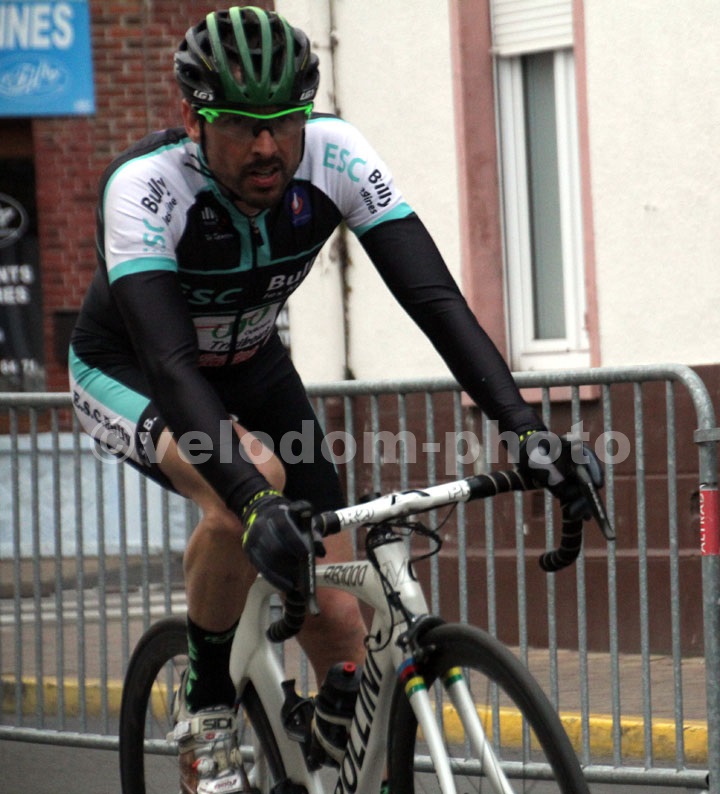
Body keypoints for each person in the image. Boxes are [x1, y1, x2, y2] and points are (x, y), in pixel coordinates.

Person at [69, 7, 601, 793]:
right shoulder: (146, 189)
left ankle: (322, 749)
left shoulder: (337, 155)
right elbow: (173, 363)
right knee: (251, 483)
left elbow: (436, 302)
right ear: (192, 117)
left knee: (343, 626)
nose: (267, 148)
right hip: (136, 371)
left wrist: (525, 428)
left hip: (256, 367)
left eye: (285, 122)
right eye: (241, 125)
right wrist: (252, 500)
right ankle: (208, 704)